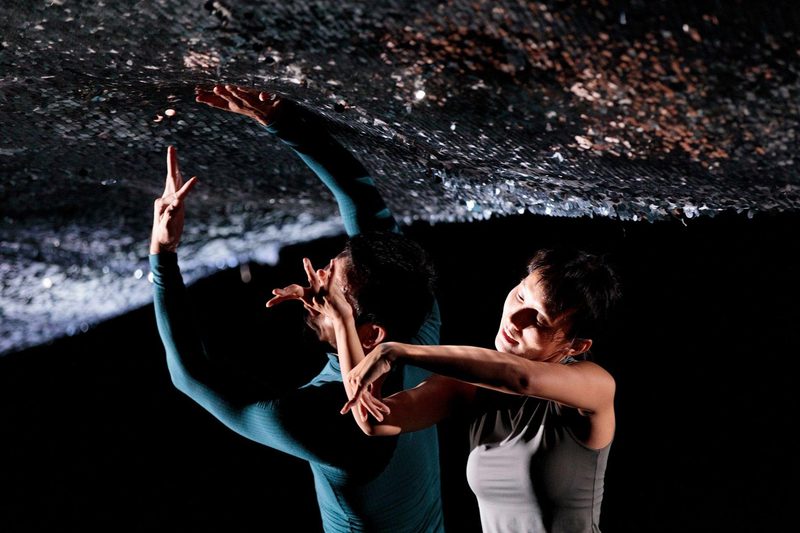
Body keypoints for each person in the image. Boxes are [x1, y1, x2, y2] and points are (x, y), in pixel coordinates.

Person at [149, 84, 445, 532]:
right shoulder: (417, 322)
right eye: (328, 269)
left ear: (370, 334)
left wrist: (162, 257)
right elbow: (366, 206)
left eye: (331, 290)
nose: (316, 281)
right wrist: (282, 121)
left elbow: (191, 375)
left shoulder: (334, 426)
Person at [299, 247, 622, 533]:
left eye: (539, 319)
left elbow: (523, 379)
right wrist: (341, 318)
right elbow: (376, 420)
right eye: (521, 296)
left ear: (577, 345)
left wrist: (398, 351)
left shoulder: (594, 386)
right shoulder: (471, 386)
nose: (515, 319)